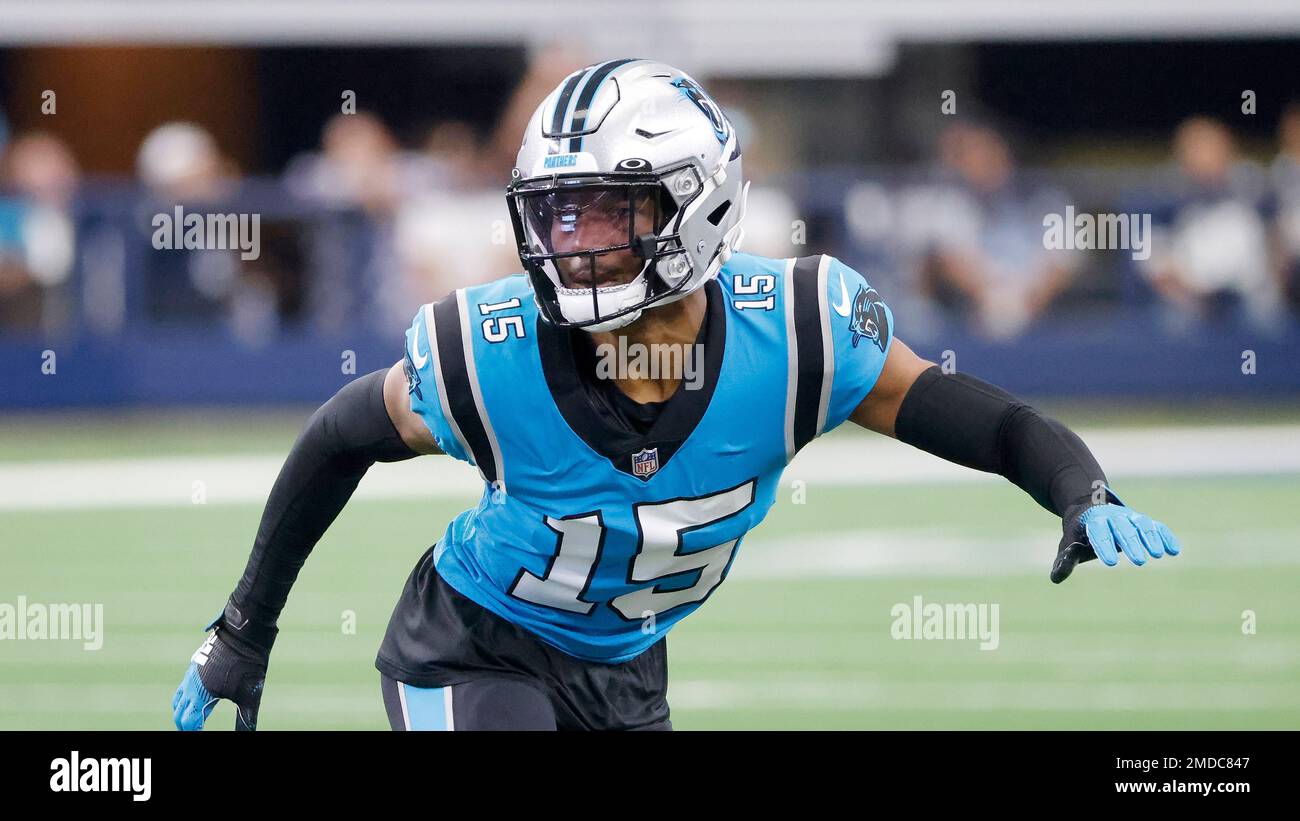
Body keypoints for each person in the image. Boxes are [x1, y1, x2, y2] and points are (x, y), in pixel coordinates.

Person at [172, 59, 1181, 732]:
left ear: (699, 201)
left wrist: (1077, 488)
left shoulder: (797, 335)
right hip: (467, 649)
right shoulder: (491, 350)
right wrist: (244, 625)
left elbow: (987, 419)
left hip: (628, 668)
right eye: (556, 217)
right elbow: (339, 432)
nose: (573, 243)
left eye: (607, 210)